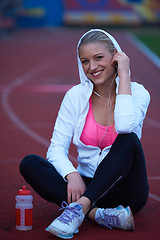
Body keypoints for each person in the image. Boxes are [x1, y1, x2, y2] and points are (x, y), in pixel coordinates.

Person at [20, 29, 150, 239]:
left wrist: (124, 74)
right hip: (86, 184)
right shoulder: (75, 96)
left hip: (126, 191)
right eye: (85, 61)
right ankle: (97, 213)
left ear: (116, 56)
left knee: (128, 139)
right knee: (30, 163)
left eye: (99, 58)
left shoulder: (138, 93)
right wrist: (71, 175)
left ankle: (78, 210)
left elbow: (125, 126)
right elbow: (56, 148)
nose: (92, 67)